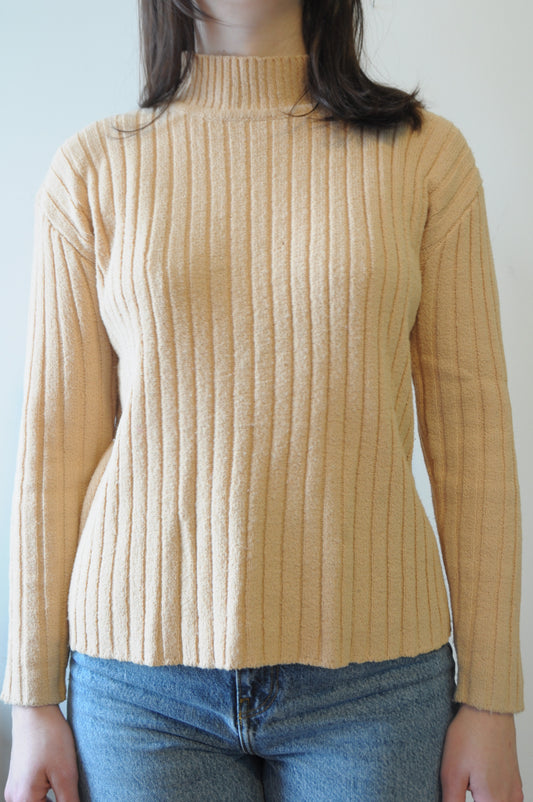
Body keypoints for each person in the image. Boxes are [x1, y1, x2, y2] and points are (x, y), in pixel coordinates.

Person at [1, 0, 525, 799]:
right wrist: (33, 698)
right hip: (140, 687)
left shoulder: (424, 159)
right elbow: (53, 447)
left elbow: (473, 441)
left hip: (374, 686)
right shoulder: (92, 169)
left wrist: (490, 697)